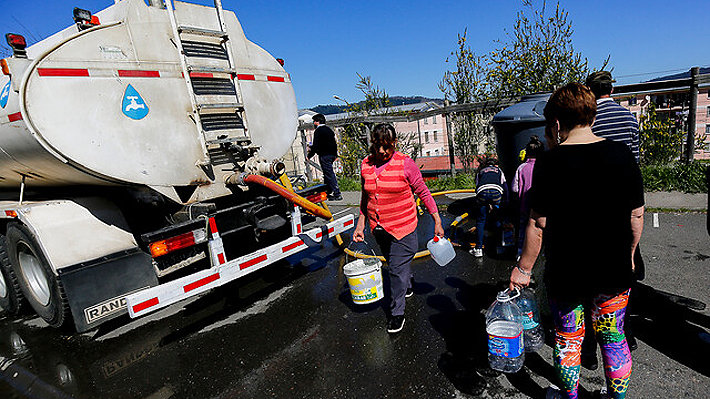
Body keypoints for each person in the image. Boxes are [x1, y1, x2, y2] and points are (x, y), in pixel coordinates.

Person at [509, 83, 644, 399]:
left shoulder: (548, 163)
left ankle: (569, 397)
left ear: (556, 123)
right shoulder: (621, 155)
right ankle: (616, 397)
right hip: (613, 267)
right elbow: (636, 216)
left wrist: (523, 269)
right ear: (591, 115)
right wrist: (631, 254)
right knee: (613, 337)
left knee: (568, 339)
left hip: (567, 271)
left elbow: (537, 224)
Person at [352, 123, 444, 334]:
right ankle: (408, 284)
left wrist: (437, 221)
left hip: (403, 227)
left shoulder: (405, 164)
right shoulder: (366, 164)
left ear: (394, 143)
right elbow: (365, 196)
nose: (382, 151)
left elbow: (423, 191)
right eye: (378, 146)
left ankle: (397, 313)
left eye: (387, 146)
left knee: (395, 269)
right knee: (397, 264)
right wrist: (361, 224)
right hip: (379, 229)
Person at [583, 71, 642, 367]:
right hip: (623, 207)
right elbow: (637, 165)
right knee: (622, 277)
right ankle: (626, 333)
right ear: (612, 89)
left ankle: (589, 351)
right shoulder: (629, 119)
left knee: (590, 284)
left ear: (591, 92)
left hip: (592, 209)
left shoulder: (589, 121)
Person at [512, 135, 544, 258]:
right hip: (541, 206)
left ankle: (521, 252)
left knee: (523, 229)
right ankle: (538, 254)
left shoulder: (521, 168)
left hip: (524, 205)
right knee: (539, 230)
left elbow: (515, 188)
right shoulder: (543, 167)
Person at [470, 157, 508, 258]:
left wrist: (482, 201)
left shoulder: (481, 171)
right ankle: (499, 247)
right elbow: (505, 186)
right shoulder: (499, 171)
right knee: (497, 219)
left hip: (482, 192)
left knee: (481, 220)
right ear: (495, 165)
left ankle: (478, 249)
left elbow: (477, 186)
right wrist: (504, 202)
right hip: (496, 191)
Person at [307, 113, 342, 201]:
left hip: (324, 155)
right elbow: (334, 143)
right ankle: (327, 191)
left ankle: (337, 193)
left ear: (317, 122)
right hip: (331, 154)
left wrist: (309, 155)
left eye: (314, 121)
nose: (313, 123)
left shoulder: (318, 131)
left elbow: (316, 146)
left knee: (329, 174)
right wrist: (335, 155)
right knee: (327, 173)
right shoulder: (329, 130)